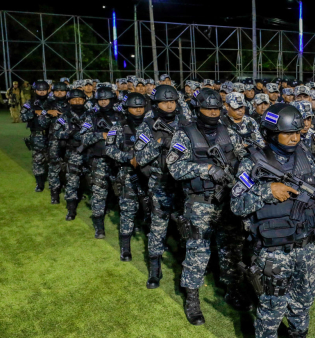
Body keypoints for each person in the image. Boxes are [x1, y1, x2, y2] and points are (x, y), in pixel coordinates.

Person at [231, 103, 315, 338]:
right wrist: (268, 190)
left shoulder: (306, 157)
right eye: (288, 133)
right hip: (273, 251)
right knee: (272, 309)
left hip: (306, 247)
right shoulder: (254, 161)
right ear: (271, 133)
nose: (294, 138)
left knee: (303, 304)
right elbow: (236, 204)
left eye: (297, 133)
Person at [167, 88, 250, 325]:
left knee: (231, 249)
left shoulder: (227, 130)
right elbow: (174, 167)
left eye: (216, 109)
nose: (213, 113)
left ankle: (232, 290)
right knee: (198, 251)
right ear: (197, 109)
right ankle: (192, 300)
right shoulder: (185, 134)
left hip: (227, 201)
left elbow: (239, 155)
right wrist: (207, 169)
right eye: (208, 109)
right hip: (200, 202)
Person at [135, 84, 188, 289]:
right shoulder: (147, 125)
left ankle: (186, 268)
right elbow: (139, 157)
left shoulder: (185, 122)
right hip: (160, 184)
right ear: (156, 104)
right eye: (164, 101)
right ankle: (155, 271)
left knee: (186, 227)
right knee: (158, 229)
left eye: (172, 101)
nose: (168, 105)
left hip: (183, 184)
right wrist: (158, 143)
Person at [105, 92, 148, 261]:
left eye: (140, 107)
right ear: (127, 108)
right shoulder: (118, 127)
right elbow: (109, 149)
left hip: (148, 176)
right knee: (128, 211)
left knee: (150, 209)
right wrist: (127, 158)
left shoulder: (150, 125)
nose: (138, 110)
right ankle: (125, 248)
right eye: (134, 107)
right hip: (127, 175)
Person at [80, 86, 126, 239]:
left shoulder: (121, 116)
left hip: (119, 160)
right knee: (99, 193)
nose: (104, 102)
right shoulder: (91, 116)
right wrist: (101, 135)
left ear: (112, 100)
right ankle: (99, 226)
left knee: (123, 193)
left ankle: (126, 224)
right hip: (99, 160)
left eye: (106, 99)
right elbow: (84, 138)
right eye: (101, 100)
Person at [59, 89, 90, 220]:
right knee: (72, 181)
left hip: (90, 152)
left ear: (84, 101)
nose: (77, 102)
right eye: (74, 99)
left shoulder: (91, 115)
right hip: (73, 152)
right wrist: (70, 133)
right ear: (69, 101)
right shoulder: (63, 117)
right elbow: (57, 133)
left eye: (80, 99)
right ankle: (71, 209)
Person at [20, 80, 52, 192]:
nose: (42, 92)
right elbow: (23, 117)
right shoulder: (30, 103)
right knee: (38, 160)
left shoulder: (53, 102)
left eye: (44, 90)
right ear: (35, 90)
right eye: (39, 90)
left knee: (55, 160)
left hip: (52, 135)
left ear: (48, 90)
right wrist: (34, 112)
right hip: (37, 135)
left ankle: (56, 183)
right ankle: (39, 184)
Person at [44, 82, 72, 204]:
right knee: (54, 166)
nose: (59, 93)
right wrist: (48, 113)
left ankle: (71, 191)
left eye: (62, 91)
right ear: (53, 92)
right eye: (57, 91)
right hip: (54, 140)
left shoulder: (72, 103)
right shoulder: (48, 104)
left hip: (70, 141)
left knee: (71, 166)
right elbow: (41, 123)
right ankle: (54, 193)